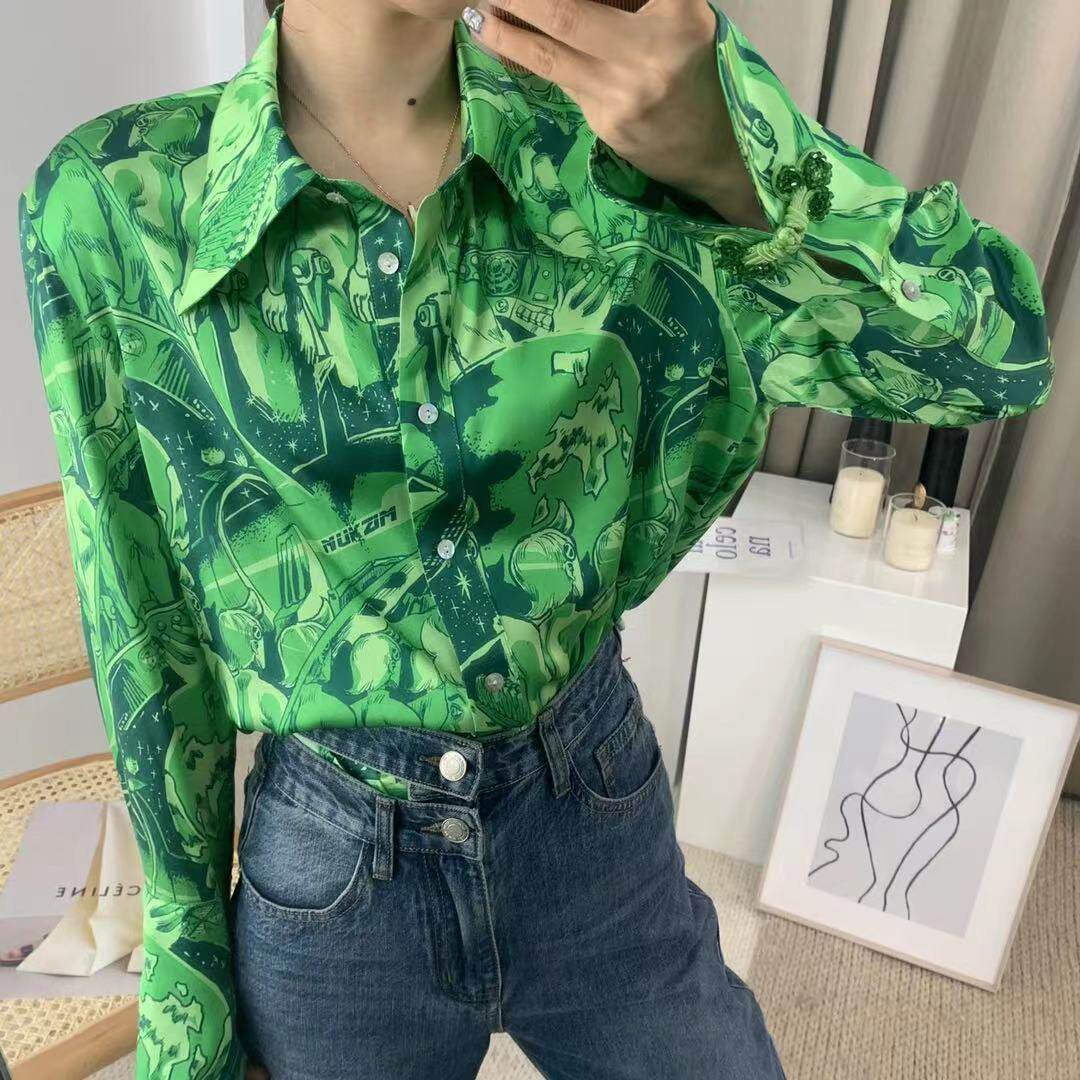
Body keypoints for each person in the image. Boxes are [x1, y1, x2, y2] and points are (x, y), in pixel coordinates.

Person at [16, 0, 1052, 1076]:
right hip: (334, 865)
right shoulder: (118, 199)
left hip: (590, 803)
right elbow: (141, 616)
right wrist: (188, 979)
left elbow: (994, 360)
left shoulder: (622, 141)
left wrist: (737, 157)